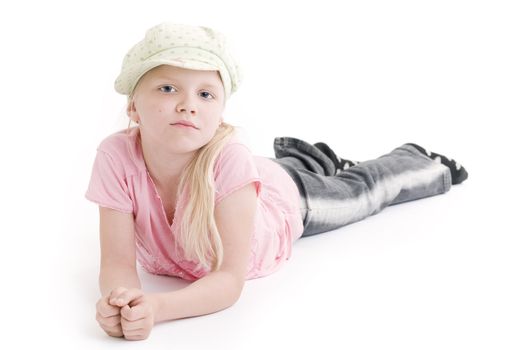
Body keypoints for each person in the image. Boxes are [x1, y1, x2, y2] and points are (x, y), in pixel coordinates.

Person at [85, 22, 468, 341]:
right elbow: (117, 262)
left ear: (219, 116)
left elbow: (229, 280)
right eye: (168, 88)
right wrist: (124, 301)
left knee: (360, 193)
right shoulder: (115, 157)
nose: (188, 104)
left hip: (284, 202)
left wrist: (157, 308)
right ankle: (313, 159)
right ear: (133, 106)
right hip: (254, 179)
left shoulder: (228, 159)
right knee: (285, 172)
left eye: (205, 94)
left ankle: (415, 160)